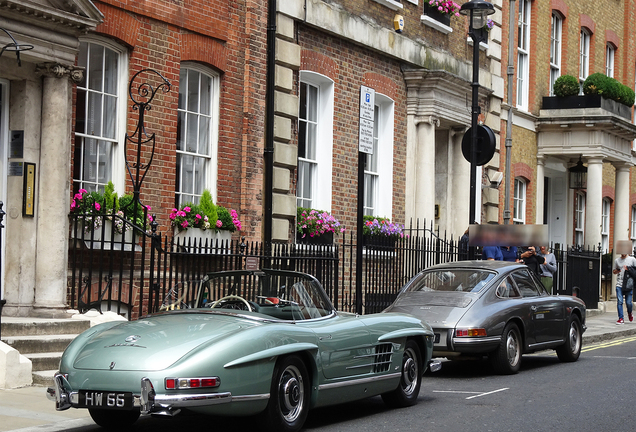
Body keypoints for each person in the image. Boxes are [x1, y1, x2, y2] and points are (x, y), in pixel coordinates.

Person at [612, 252, 636, 324]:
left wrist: (628, 269)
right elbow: (614, 271)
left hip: (628, 285)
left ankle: (630, 313)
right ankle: (621, 318)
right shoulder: (617, 260)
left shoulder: (632, 259)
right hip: (619, 285)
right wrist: (617, 270)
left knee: (628, 303)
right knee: (620, 302)